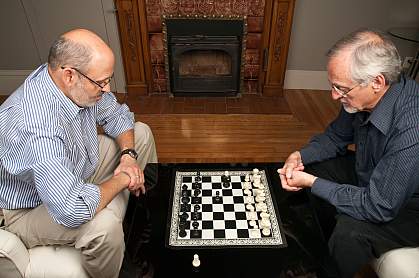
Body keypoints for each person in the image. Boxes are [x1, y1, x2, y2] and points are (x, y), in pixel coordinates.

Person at [0, 29, 158, 277]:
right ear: (70, 76)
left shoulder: (70, 82)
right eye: (101, 82)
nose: (107, 90)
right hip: (31, 208)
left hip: (77, 168)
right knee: (104, 227)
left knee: (141, 133)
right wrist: (125, 177)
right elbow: (72, 207)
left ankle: (143, 217)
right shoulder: (36, 125)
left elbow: (117, 115)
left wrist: (128, 156)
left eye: (108, 80)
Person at [278, 28, 419, 278]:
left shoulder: (412, 127)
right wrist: (299, 156)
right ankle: (314, 248)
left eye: (341, 88)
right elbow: (335, 137)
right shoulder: (359, 98)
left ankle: (327, 269)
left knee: (348, 231)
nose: (334, 96)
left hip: (405, 207)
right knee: (310, 167)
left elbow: (379, 206)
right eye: (332, 86)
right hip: (371, 174)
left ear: (377, 82)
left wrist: (313, 183)